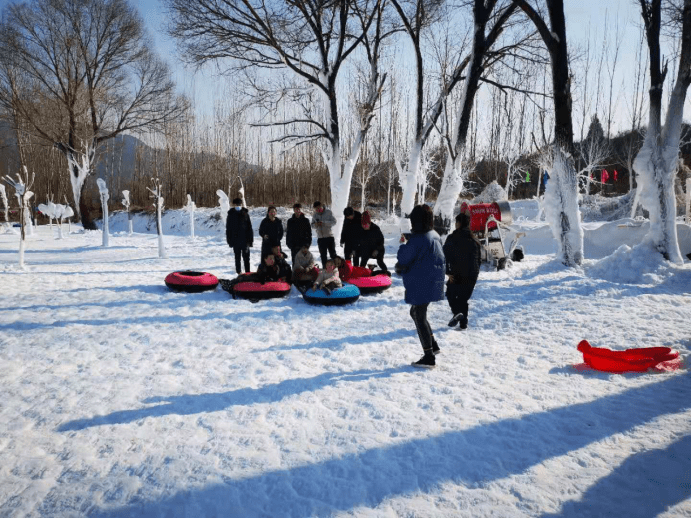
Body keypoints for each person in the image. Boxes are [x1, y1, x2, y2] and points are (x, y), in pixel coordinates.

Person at [396, 204, 446, 368]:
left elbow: (403, 258)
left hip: (422, 282)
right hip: (432, 280)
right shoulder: (434, 234)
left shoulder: (417, 240)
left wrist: (403, 243)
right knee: (417, 312)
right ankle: (433, 345)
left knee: (418, 314)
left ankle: (429, 356)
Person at [443, 211, 482, 330]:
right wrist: (475, 273)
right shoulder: (474, 239)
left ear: (458, 223)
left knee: (450, 293)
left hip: (457, 273)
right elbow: (479, 259)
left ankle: (457, 313)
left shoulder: (452, 237)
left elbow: (445, 256)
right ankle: (463, 323)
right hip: (472, 274)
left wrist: (448, 272)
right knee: (463, 299)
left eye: (456, 222)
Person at [225, 197, 253, 275]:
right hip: (235, 240)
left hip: (245, 240)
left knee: (246, 258)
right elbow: (228, 229)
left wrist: (250, 240)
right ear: (234, 205)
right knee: (237, 258)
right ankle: (239, 273)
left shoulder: (245, 213)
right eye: (236, 204)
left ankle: (248, 273)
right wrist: (229, 240)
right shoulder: (231, 214)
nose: (238, 205)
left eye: (239, 204)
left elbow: (249, 228)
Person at [311, 201, 337, 268]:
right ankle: (325, 270)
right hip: (321, 238)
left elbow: (334, 222)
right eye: (316, 209)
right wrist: (316, 225)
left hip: (329, 237)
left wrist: (324, 223)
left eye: (319, 208)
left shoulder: (329, 212)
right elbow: (312, 225)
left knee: (333, 254)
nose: (318, 210)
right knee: (323, 255)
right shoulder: (315, 215)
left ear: (322, 206)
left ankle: (336, 269)